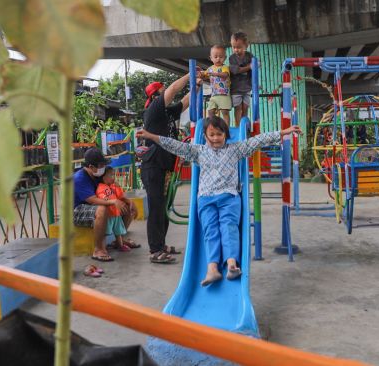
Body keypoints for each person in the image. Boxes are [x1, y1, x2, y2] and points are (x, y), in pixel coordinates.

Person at [137, 116, 302, 286]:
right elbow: (174, 145)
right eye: (212, 134)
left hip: (229, 198)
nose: (216, 138)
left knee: (228, 227)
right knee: (211, 231)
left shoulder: (235, 149)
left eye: (219, 134)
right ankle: (212, 269)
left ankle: (231, 264)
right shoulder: (198, 151)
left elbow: (258, 140)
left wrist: (284, 132)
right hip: (206, 199)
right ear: (205, 136)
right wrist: (151, 136)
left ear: (226, 134)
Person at [142, 73, 196, 264]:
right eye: (162, 90)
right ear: (156, 95)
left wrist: (198, 85)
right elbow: (173, 90)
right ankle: (155, 250)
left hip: (165, 165)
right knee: (156, 207)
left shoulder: (166, 112)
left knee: (163, 205)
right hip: (153, 165)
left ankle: (161, 244)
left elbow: (185, 101)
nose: (166, 92)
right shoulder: (155, 109)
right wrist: (191, 74)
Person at [73, 148, 136, 262]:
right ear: (91, 167)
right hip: (77, 211)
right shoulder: (79, 178)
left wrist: (127, 201)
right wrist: (113, 201)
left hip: (95, 205)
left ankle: (119, 240)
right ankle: (98, 250)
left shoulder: (98, 175)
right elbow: (92, 200)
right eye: (101, 165)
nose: (103, 168)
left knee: (128, 206)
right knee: (102, 209)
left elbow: (111, 189)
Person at [96, 166, 138, 253]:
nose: (113, 177)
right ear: (104, 178)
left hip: (117, 214)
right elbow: (103, 198)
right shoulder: (101, 187)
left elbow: (120, 196)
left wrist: (118, 187)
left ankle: (120, 245)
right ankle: (102, 249)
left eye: (114, 175)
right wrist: (110, 200)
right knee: (105, 233)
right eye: (111, 175)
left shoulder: (113, 186)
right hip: (109, 215)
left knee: (118, 232)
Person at [201, 45, 231, 124]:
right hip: (213, 95)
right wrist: (200, 74)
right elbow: (204, 76)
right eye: (216, 57)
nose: (218, 59)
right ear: (211, 58)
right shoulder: (210, 68)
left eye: (221, 57)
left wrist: (214, 74)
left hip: (223, 94)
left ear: (225, 58)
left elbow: (225, 75)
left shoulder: (224, 67)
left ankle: (226, 128)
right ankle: (215, 126)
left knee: (224, 112)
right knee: (210, 112)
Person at [229, 32, 253, 126]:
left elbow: (257, 64)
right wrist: (249, 67)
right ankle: (238, 126)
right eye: (233, 47)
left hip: (247, 88)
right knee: (238, 107)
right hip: (236, 89)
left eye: (239, 47)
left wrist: (254, 65)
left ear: (246, 45)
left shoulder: (249, 56)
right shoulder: (232, 58)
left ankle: (244, 126)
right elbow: (236, 70)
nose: (236, 50)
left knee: (245, 107)